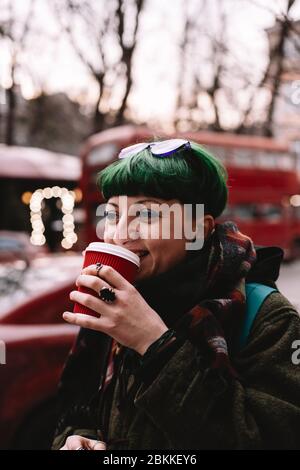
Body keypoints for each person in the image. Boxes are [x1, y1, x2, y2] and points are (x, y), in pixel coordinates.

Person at [52, 139, 300, 450]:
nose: (121, 234)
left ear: (199, 229)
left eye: (147, 215)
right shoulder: (113, 300)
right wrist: (79, 437)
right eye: (113, 214)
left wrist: (155, 344)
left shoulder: (268, 318)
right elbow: (82, 410)